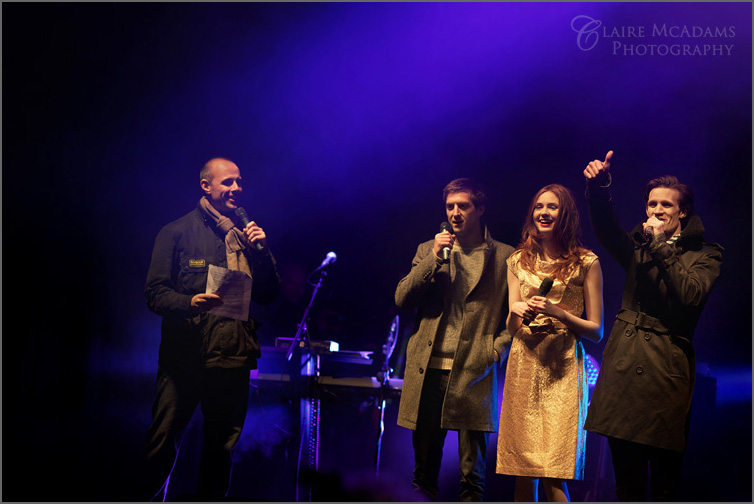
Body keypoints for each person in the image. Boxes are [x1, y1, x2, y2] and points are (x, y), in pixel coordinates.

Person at [581, 151, 723, 501]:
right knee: (627, 484)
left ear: (682, 212)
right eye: (651, 204)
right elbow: (605, 229)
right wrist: (600, 189)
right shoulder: (637, 247)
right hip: (625, 369)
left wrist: (660, 244)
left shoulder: (707, 253)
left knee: (664, 484)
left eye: (665, 205)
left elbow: (690, 295)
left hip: (666, 373)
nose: (656, 211)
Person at [144, 157, 281, 500]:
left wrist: (262, 254)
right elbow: (154, 293)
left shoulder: (245, 237)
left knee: (220, 451)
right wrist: (189, 303)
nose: (237, 189)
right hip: (184, 359)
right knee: (162, 443)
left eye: (238, 182)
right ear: (206, 186)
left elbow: (268, 295)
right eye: (228, 183)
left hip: (232, 358)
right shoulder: (175, 233)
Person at [395, 178, 514, 501]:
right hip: (429, 370)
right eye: (450, 207)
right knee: (423, 474)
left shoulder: (505, 256)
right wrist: (434, 258)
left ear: (480, 209)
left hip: (475, 371)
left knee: (472, 479)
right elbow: (402, 299)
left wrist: (494, 352)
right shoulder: (428, 249)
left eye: (463, 206)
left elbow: (514, 317)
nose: (455, 213)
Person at [496, 184, 604, 502]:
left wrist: (559, 313)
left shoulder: (587, 263)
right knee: (522, 471)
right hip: (525, 362)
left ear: (566, 214)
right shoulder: (517, 261)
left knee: (553, 474)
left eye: (552, 207)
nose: (544, 212)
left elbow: (596, 331)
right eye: (539, 206)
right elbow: (513, 328)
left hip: (563, 365)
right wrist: (515, 311)